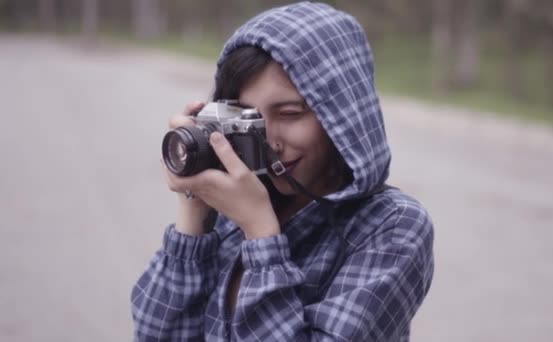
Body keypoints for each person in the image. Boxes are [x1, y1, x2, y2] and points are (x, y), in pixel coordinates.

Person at [131, 2, 434, 341]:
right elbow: (157, 334)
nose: (268, 141)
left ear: (342, 114)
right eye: (249, 118)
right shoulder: (238, 195)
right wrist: (194, 210)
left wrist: (260, 233)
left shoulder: (392, 226)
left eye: (289, 113)